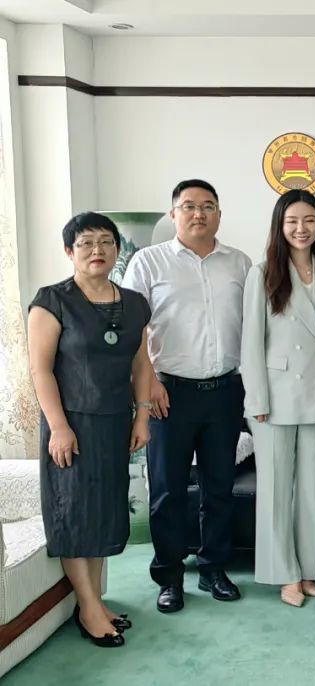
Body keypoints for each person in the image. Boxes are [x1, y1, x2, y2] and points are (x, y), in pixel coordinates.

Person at [122, 179, 252, 614]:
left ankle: (214, 569)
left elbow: (252, 327)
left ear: (219, 214)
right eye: (190, 206)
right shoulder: (148, 261)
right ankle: (170, 578)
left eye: (208, 206)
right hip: (168, 392)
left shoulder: (239, 263)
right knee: (167, 491)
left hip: (225, 391)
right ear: (173, 213)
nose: (199, 214)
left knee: (219, 488)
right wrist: (149, 382)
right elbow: (133, 328)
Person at [27, 212, 153, 647]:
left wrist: (142, 416)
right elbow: (40, 371)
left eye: (105, 241)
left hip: (115, 421)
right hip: (72, 424)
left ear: (116, 249)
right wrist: (58, 428)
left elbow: (141, 363)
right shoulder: (52, 301)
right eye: (85, 243)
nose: (96, 250)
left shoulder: (134, 302)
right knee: (75, 513)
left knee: (102, 511)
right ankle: (88, 608)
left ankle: (95, 600)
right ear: (70, 252)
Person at [240, 190, 315, 607]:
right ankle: (284, 574)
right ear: (279, 226)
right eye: (292, 221)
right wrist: (256, 399)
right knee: (276, 488)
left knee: (312, 488)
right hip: (275, 396)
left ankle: (309, 569)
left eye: (309, 220)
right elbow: (250, 342)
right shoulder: (262, 273)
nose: (301, 228)